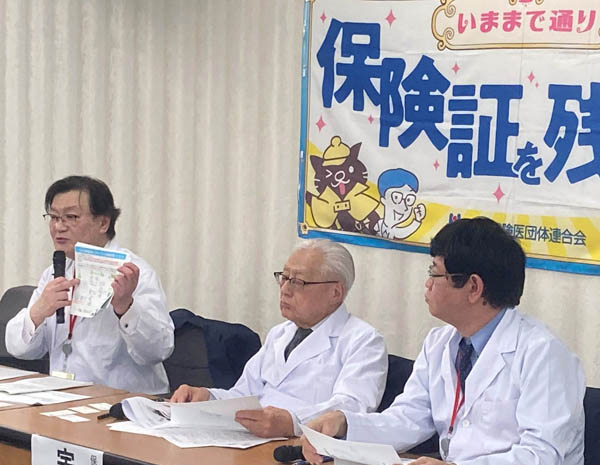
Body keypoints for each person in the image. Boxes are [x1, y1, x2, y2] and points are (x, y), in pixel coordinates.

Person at [303, 217, 585, 465]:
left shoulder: (543, 353)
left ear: (473, 288)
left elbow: (541, 458)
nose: (427, 284)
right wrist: (345, 423)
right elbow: (409, 419)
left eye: (434, 273)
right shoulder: (439, 343)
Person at [171, 238, 388, 438]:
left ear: (335, 293)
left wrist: (293, 422)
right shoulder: (280, 333)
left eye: (298, 282)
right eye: (284, 278)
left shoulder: (363, 341)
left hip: (302, 448)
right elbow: (245, 394)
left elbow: (351, 409)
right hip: (251, 440)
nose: (285, 290)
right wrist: (207, 397)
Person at [5, 175, 174, 394]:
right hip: (63, 396)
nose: (58, 227)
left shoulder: (133, 272)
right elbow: (21, 350)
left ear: (103, 223)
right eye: (54, 217)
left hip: (124, 402)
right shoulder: (55, 272)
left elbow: (158, 350)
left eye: (71, 217)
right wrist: (38, 312)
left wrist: (126, 307)